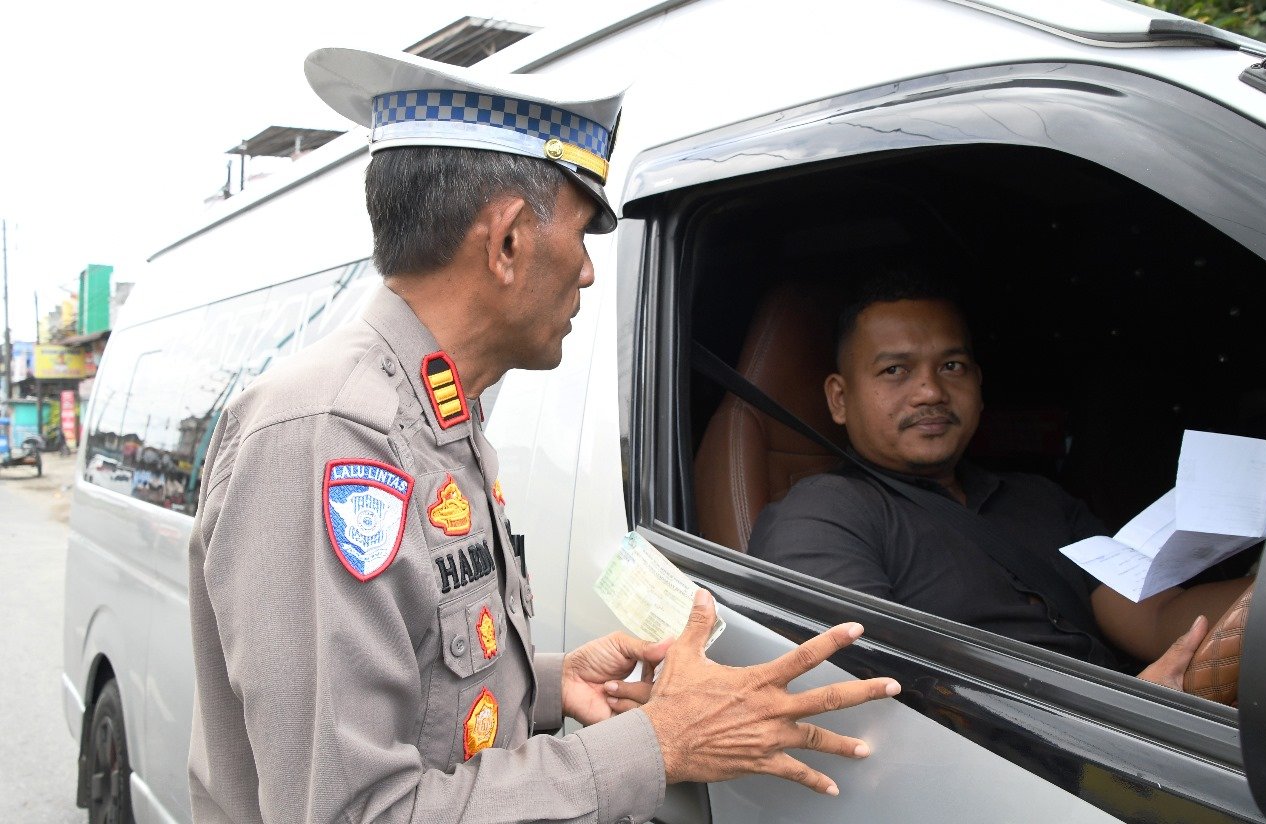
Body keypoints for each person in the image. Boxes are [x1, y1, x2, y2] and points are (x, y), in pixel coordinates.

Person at [187, 48, 901, 824]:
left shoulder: (437, 414)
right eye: (583, 233)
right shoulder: (331, 438)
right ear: (507, 243)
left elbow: (424, 683)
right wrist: (656, 746)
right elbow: (357, 812)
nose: (589, 272)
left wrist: (549, 683)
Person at [748, 270, 1252, 687]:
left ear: (978, 383)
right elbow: (876, 687)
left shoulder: (1039, 498)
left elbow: (1160, 617)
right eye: (895, 370)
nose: (930, 391)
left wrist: (1264, 592)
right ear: (839, 399)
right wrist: (1127, 723)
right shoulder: (822, 515)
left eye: (951, 365)